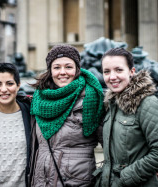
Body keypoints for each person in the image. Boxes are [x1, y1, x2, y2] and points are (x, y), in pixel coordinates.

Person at [93, 47, 158, 187]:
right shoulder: (111, 105)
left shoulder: (148, 104)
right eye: (107, 71)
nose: (112, 77)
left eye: (119, 70)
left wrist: (125, 178)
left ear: (131, 72)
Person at [29, 44, 104, 187]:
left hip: (77, 182)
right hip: (41, 181)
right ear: (50, 71)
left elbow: (110, 145)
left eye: (68, 67)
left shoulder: (91, 99)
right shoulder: (38, 99)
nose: (62, 72)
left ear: (77, 69)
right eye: (57, 67)